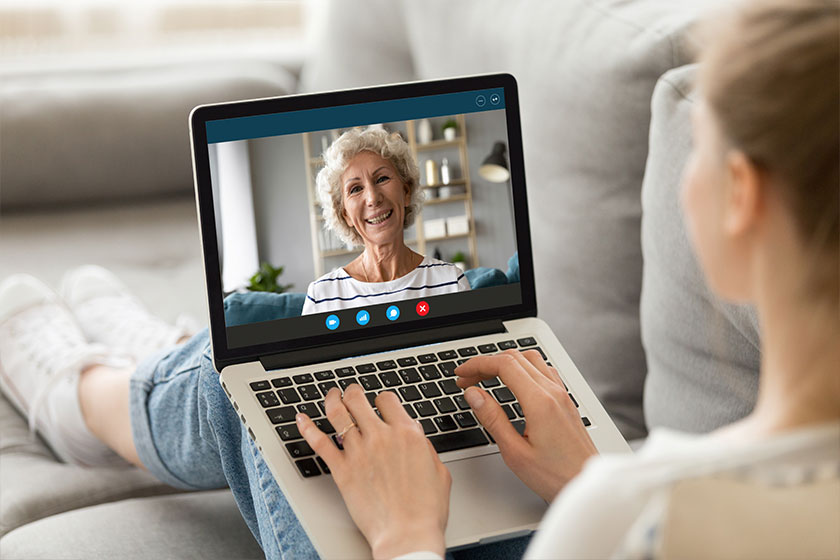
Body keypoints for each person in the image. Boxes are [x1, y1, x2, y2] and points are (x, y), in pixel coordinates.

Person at [0, 0, 836, 558]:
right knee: (269, 354)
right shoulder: (643, 498)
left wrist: (405, 535)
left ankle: (87, 395)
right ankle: (140, 365)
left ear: (740, 200)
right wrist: (587, 471)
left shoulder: (641, 512)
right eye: (354, 187)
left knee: (251, 374)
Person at [301, 127, 470, 316]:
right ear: (345, 214)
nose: (373, 198)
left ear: (406, 192)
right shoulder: (322, 296)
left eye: (382, 178)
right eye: (355, 189)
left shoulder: (450, 282)